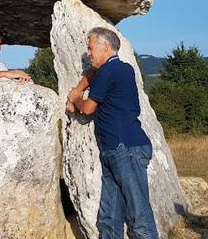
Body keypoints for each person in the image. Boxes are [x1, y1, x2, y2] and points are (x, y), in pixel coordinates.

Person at [66, 27, 158, 239]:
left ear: (105, 46)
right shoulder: (122, 69)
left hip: (125, 148)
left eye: (90, 48)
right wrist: (80, 89)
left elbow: (88, 108)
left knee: (139, 217)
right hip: (115, 150)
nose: (89, 54)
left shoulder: (109, 71)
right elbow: (93, 74)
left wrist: (75, 97)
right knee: (109, 216)